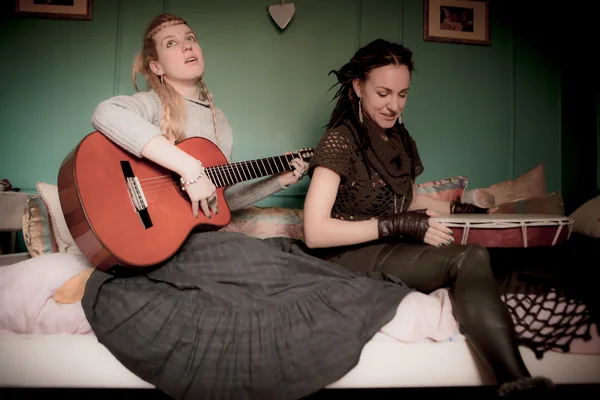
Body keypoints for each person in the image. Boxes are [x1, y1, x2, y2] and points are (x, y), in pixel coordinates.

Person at [81, 14, 466, 400]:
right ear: (155, 67)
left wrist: (276, 181)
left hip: (189, 238)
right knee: (263, 260)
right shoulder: (150, 104)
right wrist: (187, 166)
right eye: (171, 43)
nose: (185, 46)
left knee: (278, 261)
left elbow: (216, 205)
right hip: (159, 244)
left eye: (190, 37)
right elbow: (105, 114)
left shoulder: (220, 124)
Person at [303, 38, 555, 397]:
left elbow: (407, 197)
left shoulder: (401, 141)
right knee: (468, 258)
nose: (394, 105)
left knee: (486, 255)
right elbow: (314, 231)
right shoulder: (339, 141)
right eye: (384, 93)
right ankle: (518, 383)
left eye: (403, 94)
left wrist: (462, 211)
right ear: (358, 87)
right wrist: (396, 225)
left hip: (387, 243)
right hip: (344, 255)